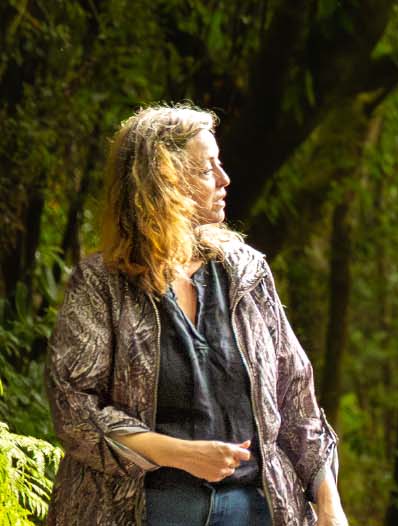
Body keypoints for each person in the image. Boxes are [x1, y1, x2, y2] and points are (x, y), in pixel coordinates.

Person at [45, 104, 349, 525]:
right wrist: (181, 454)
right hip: (143, 510)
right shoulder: (102, 283)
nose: (224, 179)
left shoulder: (246, 273)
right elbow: (74, 408)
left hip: (254, 510)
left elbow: (297, 400)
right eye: (207, 169)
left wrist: (329, 504)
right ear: (164, 182)